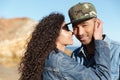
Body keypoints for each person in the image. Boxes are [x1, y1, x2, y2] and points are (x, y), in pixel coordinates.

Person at [18, 12, 110, 80]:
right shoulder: (59, 61)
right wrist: (98, 39)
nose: (72, 32)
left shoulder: (47, 56)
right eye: (66, 29)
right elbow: (102, 77)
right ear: (54, 34)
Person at [67, 2, 120, 80]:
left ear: (97, 24)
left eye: (84, 25)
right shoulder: (75, 55)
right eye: (75, 27)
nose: (80, 32)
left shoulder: (117, 52)